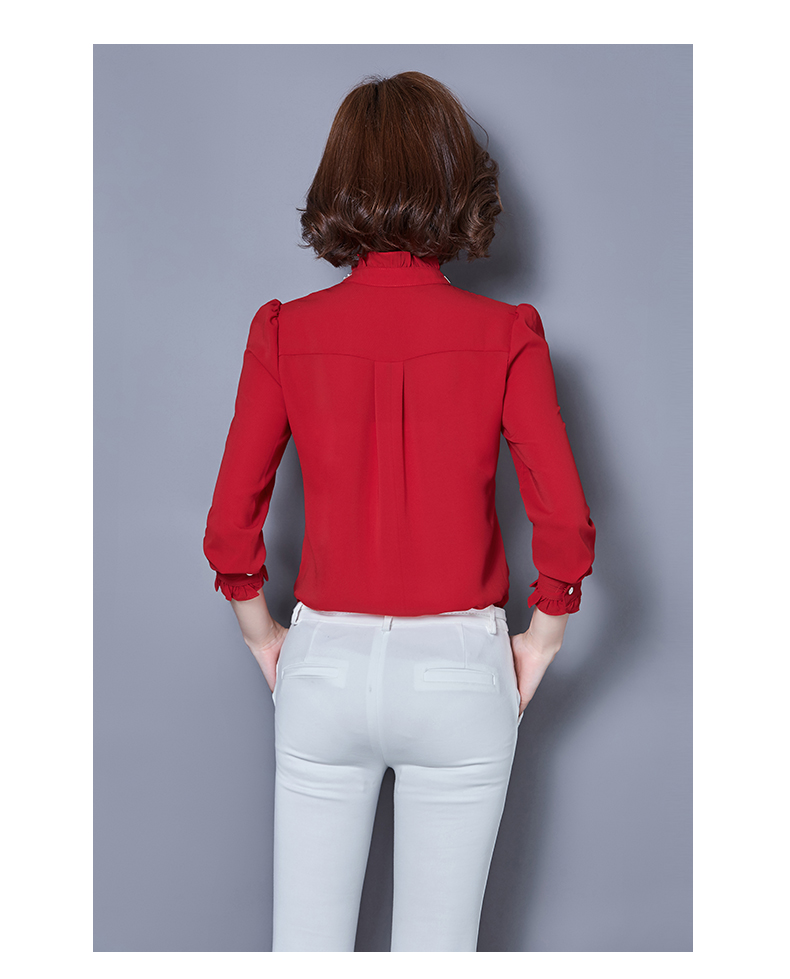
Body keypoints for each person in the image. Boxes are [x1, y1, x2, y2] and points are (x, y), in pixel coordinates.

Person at [203, 71, 596, 953]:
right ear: (455, 181)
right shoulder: (507, 335)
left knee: (304, 951)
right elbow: (565, 525)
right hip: (460, 667)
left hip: (325, 663)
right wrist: (540, 643)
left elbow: (231, 524)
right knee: (438, 952)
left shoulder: (283, 332)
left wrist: (265, 639)